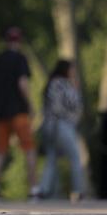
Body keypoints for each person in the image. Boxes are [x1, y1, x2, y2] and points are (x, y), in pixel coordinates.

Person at [0, 27, 39, 199]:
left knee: (0, 151)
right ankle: (34, 189)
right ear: (19, 41)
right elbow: (22, 83)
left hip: (1, 112)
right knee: (29, 149)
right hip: (18, 112)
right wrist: (30, 105)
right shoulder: (20, 59)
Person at [37, 59, 85, 202]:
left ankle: (44, 190)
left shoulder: (53, 83)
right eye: (72, 69)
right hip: (61, 125)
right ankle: (78, 190)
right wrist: (73, 117)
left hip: (50, 126)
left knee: (51, 159)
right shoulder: (61, 84)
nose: (73, 72)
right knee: (75, 157)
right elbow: (63, 106)